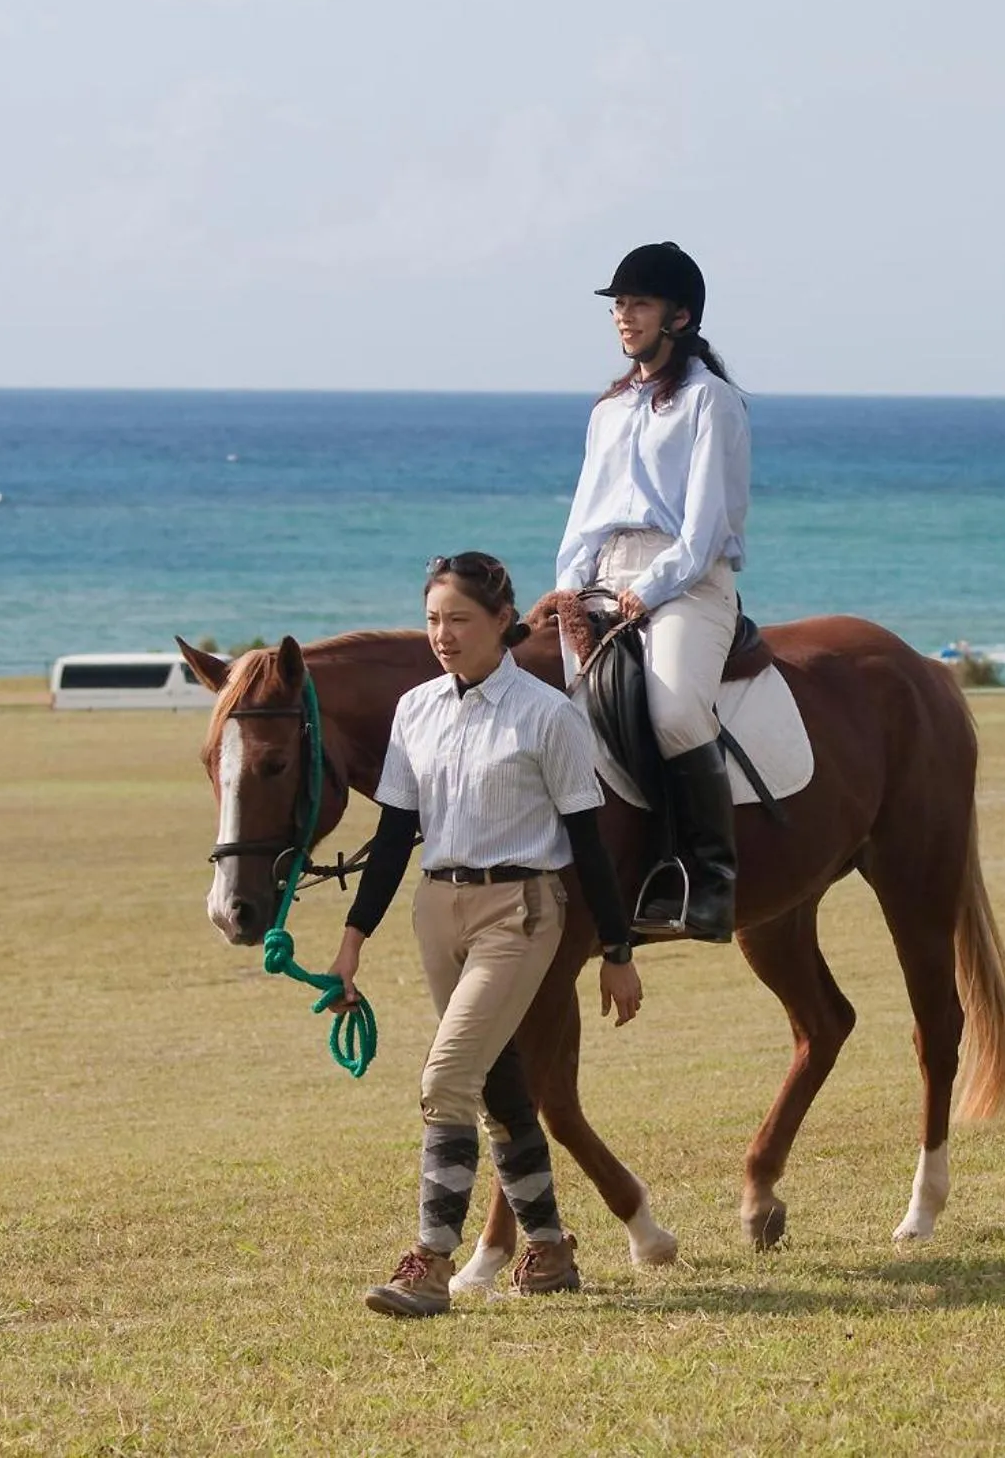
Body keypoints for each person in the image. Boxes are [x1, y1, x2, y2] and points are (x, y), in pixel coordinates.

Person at [328, 552, 641, 1318]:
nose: (443, 634)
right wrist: (351, 940)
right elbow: (397, 832)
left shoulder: (548, 715)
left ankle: (430, 1265)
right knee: (500, 1090)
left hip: (521, 913)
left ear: (503, 623)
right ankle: (552, 1250)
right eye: (433, 619)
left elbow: (588, 843)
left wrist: (618, 952)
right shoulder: (416, 710)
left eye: (459, 619)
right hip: (438, 911)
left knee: (447, 1081)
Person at [550, 241, 750, 943]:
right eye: (618, 305)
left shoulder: (711, 403)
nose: (622, 316)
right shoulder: (608, 411)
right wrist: (567, 592)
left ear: (680, 316)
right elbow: (582, 518)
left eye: (636, 303)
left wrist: (654, 588)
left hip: (688, 584)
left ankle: (709, 877)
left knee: (671, 710)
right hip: (603, 577)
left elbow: (704, 528)